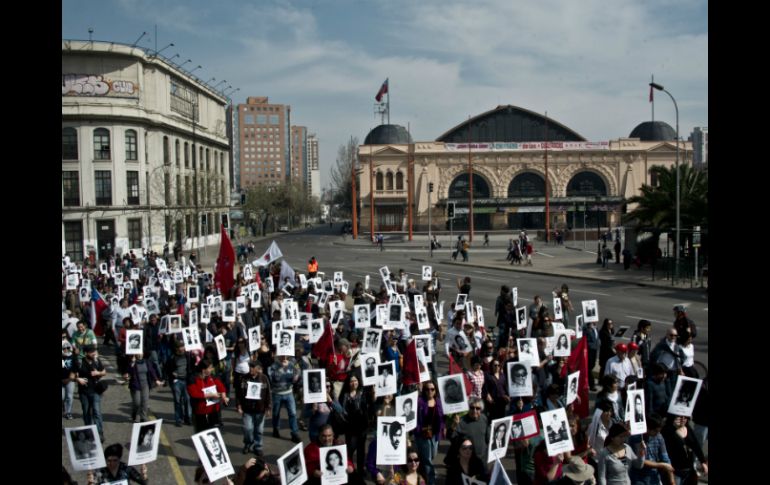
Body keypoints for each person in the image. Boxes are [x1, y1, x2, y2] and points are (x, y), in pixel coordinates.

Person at [237, 360, 272, 456]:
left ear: (258, 368)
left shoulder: (264, 378)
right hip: (247, 409)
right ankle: (248, 444)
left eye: (253, 367)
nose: (251, 369)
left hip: (260, 409)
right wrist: (239, 405)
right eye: (250, 367)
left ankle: (258, 447)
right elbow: (239, 393)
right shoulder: (244, 378)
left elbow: (268, 393)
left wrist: (268, 407)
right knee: (248, 429)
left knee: (259, 430)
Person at [73, 344, 107, 442]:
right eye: (92, 352)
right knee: (86, 413)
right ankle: (89, 432)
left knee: (96, 412)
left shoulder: (96, 361)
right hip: (83, 392)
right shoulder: (79, 362)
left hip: (96, 391)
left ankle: (100, 433)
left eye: (95, 351)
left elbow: (104, 372)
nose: (94, 353)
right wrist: (77, 379)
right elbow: (72, 376)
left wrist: (98, 373)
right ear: (86, 353)